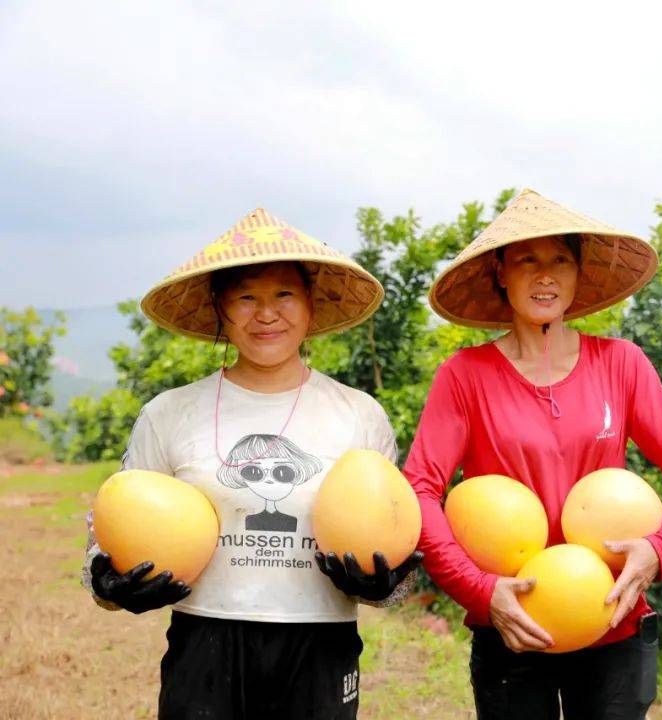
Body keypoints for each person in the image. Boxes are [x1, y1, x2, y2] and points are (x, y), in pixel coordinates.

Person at [80, 208, 422, 719]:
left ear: (310, 304)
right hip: (206, 639)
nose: (266, 314)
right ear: (220, 307)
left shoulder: (359, 415)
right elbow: (105, 536)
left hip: (320, 643)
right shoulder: (170, 413)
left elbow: (389, 546)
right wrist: (107, 584)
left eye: (284, 294)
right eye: (246, 297)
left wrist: (387, 585)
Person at [405, 190, 662, 719]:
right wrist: (480, 591)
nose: (544, 275)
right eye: (527, 260)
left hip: (612, 621)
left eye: (559, 260)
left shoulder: (621, 364)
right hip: (513, 625)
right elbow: (419, 489)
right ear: (501, 272)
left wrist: (660, 550)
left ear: (577, 276)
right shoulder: (465, 375)